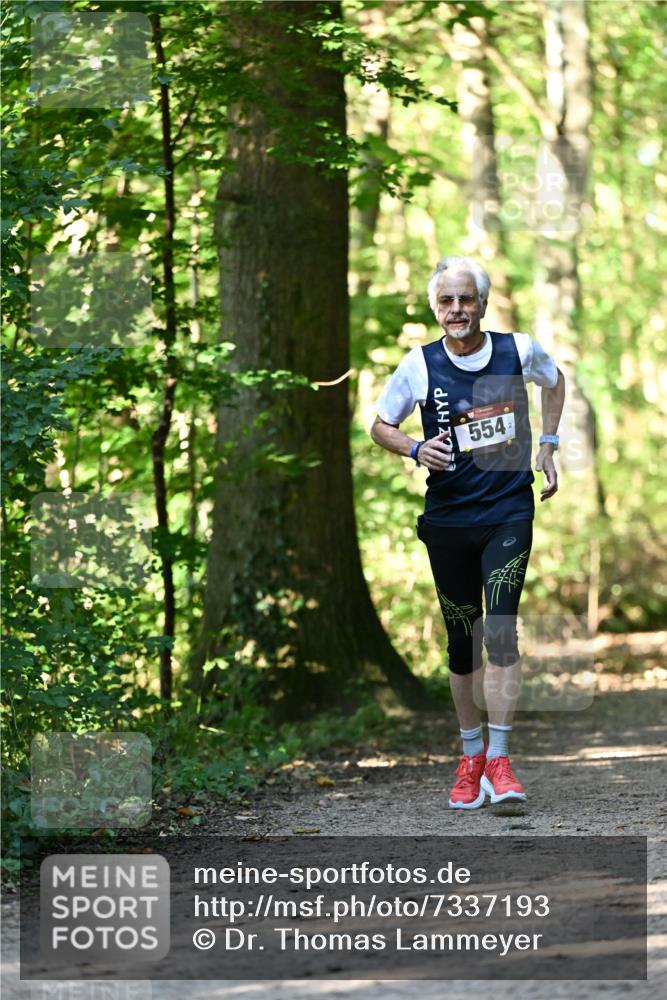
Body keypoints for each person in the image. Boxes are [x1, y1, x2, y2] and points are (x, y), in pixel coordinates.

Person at [370, 255, 565, 809]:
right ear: (437, 308)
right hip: (449, 519)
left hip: (507, 512)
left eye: (466, 300)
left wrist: (547, 445)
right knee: (462, 639)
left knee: (500, 628)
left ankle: (501, 761)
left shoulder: (516, 350)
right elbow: (380, 424)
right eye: (446, 302)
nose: (457, 310)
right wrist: (413, 446)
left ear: (482, 303)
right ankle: (471, 757)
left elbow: (558, 382)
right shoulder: (420, 364)